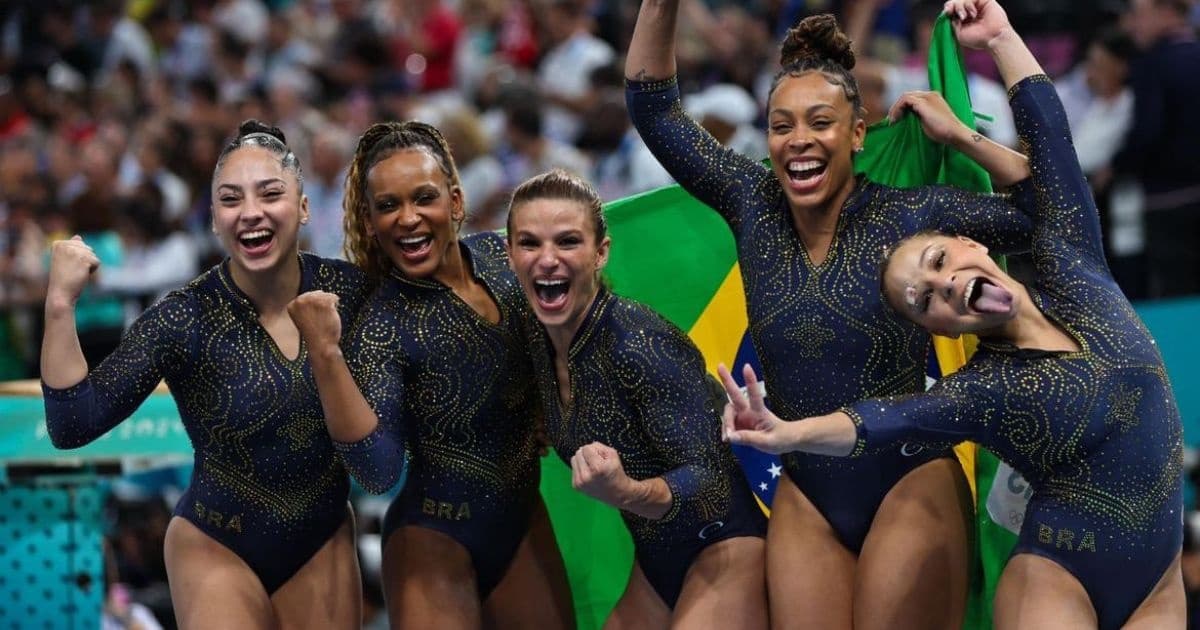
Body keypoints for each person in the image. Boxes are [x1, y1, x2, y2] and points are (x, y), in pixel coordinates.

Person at [718, 1, 1185, 626]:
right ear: (935, 331)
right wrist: (786, 433)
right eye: (923, 301)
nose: (941, 286)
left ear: (973, 245)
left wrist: (996, 41)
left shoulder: (1077, 274)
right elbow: (879, 420)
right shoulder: (983, 389)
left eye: (938, 261)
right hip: (1054, 577)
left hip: (1160, 583)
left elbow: (1052, 155)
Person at [625, 2, 1035, 627]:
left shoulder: (905, 215)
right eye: (781, 126)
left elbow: (1039, 212)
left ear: (857, 132)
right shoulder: (751, 205)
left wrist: (959, 136)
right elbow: (654, 107)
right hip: (808, 489)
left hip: (908, 474)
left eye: (821, 122)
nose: (799, 141)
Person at [41, 120, 371, 628]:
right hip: (216, 543)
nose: (251, 212)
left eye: (270, 194)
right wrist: (60, 306)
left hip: (321, 538)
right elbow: (72, 423)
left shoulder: (352, 294)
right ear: (215, 219)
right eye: (231, 199)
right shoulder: (184, 316)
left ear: (304, 207)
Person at [287, 120, 574, 629]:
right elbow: (375, 472)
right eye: (388, 206)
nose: (408, 218)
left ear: (456, 202)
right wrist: (326, 354)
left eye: (423, 198)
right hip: (431, 546)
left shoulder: (506, 259)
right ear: (370, 222)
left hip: (522, 522)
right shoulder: (382, 324)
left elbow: (573, 328)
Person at [505, 169, 768, 628]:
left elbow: (708, 483)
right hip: (656, 560)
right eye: (529, 244)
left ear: (601, 252)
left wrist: (627, 492)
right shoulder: (533, 335)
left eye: (568, 242)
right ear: (509, 254)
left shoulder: (639, 344)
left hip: (725, 544)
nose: (547, 259)